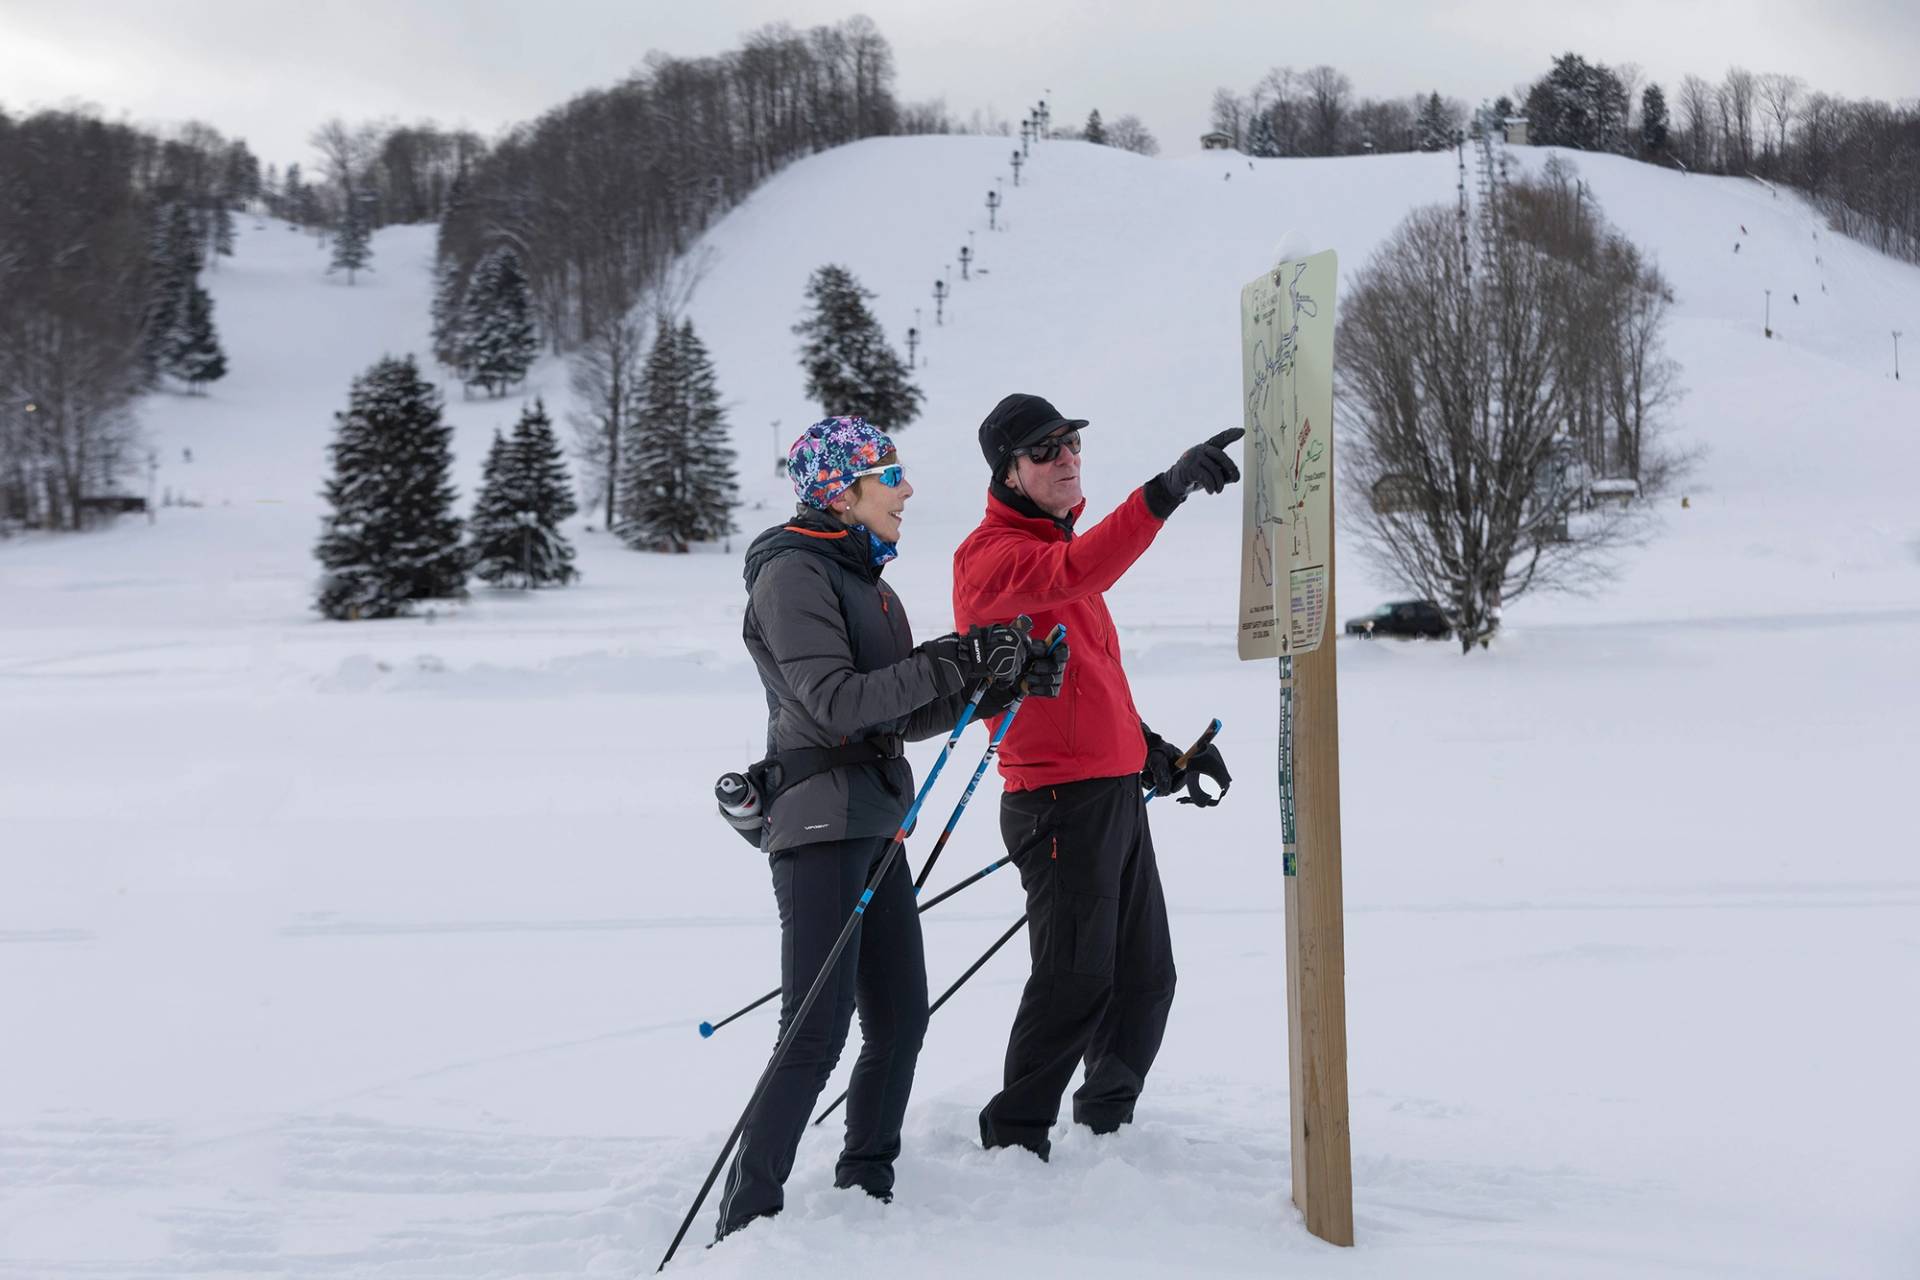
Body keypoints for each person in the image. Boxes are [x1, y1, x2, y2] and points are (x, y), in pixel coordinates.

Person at [718, 415, 1066, 1239]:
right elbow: (835, 704)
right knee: (816, 1028)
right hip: (818, 825)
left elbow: (900, 715)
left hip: (873, 818)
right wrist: (957, 657)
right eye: (891, 476)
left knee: (902, 1017)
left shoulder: (868, 580)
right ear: (843, 489)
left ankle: (865, 1183)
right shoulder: (792, 574)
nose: (907, 490)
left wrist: (995, 680)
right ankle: (747, 1219)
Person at [953, 393, 1237, 1160]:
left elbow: (1090, 684)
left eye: (1072, 442)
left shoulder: (1055, 551)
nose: (1066, 458)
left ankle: (1107, 1122)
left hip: (1110, 793)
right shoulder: (997, 559)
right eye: (1044, 451)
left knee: (1145, 977)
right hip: (1055, 805)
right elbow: (1078, 568)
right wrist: (1165, 492)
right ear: (1008, 474)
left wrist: (1156, 752)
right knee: (1074, 981)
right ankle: (1014, 1139)